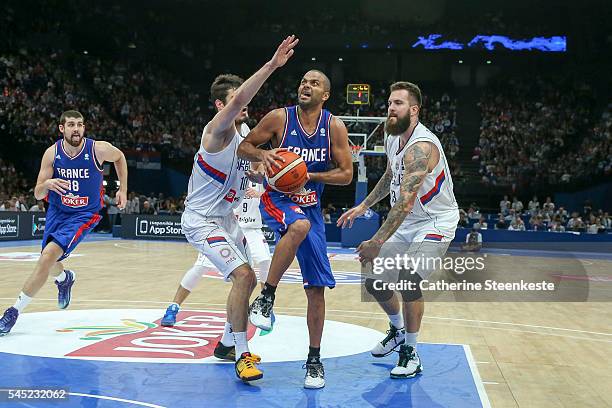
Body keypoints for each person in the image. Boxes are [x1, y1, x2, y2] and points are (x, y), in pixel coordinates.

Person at [176, 35, 298, 382]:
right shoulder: (216, 131)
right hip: (201, 221)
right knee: (243, 276)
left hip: (227, 219)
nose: (243, 104)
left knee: (248, 278)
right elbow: (244, 96)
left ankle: (227, 343)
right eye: (235, 100)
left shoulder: (245, 133)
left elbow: (256, 171)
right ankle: (241, 355)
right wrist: (273, 65)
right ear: (220, 105)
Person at [237, 69, 352, 388]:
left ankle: (314, 361)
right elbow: (243, 147)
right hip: (278, 199)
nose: (306, 85)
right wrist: (263, 154)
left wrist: (308, 175)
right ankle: (266, 297)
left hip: (312, 206)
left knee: (316, 289)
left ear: (325, 94)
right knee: (297, 225)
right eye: (303, 81)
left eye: (314, 83)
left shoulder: (334, 127)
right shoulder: (278, 118)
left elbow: (345, 174)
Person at [337, 82, 459, 379]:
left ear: (414, 110)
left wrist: (377, 241)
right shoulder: (393, 138)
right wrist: (363, 205)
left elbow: (404, 204)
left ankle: (411, 352)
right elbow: (390, 176)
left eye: (399, 104)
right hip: (409, 222)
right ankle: (398, 330)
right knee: (373, 278)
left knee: (408, 278)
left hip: (435, 221)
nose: (391, 108)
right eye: (390, 103)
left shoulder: (421, 146)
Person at [0, 110, 128, 336]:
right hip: (57, 211)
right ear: (62, 129)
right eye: (71, 124)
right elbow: (38, 194)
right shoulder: (52, 154)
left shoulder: (98, 149)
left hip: (83, 214)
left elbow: (119, 157)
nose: (76, 129)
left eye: (80, 124)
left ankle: (12, 312)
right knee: (47, 261)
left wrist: (123, 189)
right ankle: (64, 278)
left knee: (48, 256)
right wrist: (48, 183)